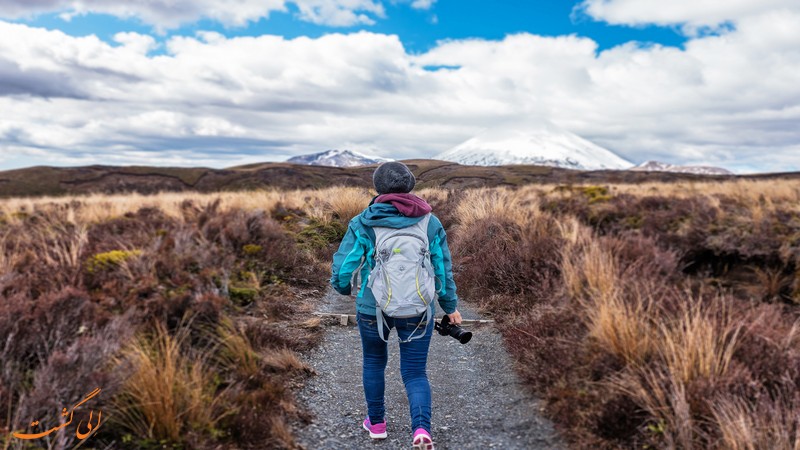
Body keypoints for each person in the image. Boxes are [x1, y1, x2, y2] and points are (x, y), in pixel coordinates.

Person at [330, 161, 461, 450]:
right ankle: (421, 430)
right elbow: (442, 270)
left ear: (378, 187)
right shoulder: (430, 222)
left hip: (371, 308)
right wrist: (449, 305)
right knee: (415, 372)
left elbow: (343, 270)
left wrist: (344, 289)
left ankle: (376, 424)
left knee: (374, 363)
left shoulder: (363, 221)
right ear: (410, 185)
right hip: (418, 309)